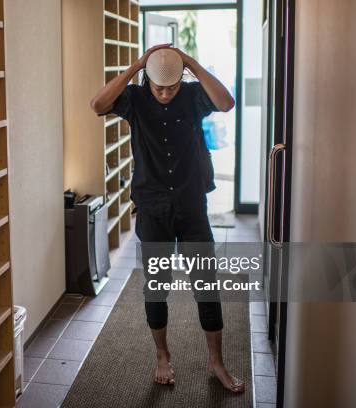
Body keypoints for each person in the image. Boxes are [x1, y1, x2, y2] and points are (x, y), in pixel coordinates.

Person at [90, 44, 244, 393]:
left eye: (171, 87)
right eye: (158, 87)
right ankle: (162, 356)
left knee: (206, 285)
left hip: (191, 206)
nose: (164, 93)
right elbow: (97, 105)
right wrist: (136, 66)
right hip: (153, 207)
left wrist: (188, 62)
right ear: (148, 81)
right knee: (156, 288)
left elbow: (226, 102)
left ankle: (216, 361)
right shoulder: (135, 98)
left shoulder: (192, 95)